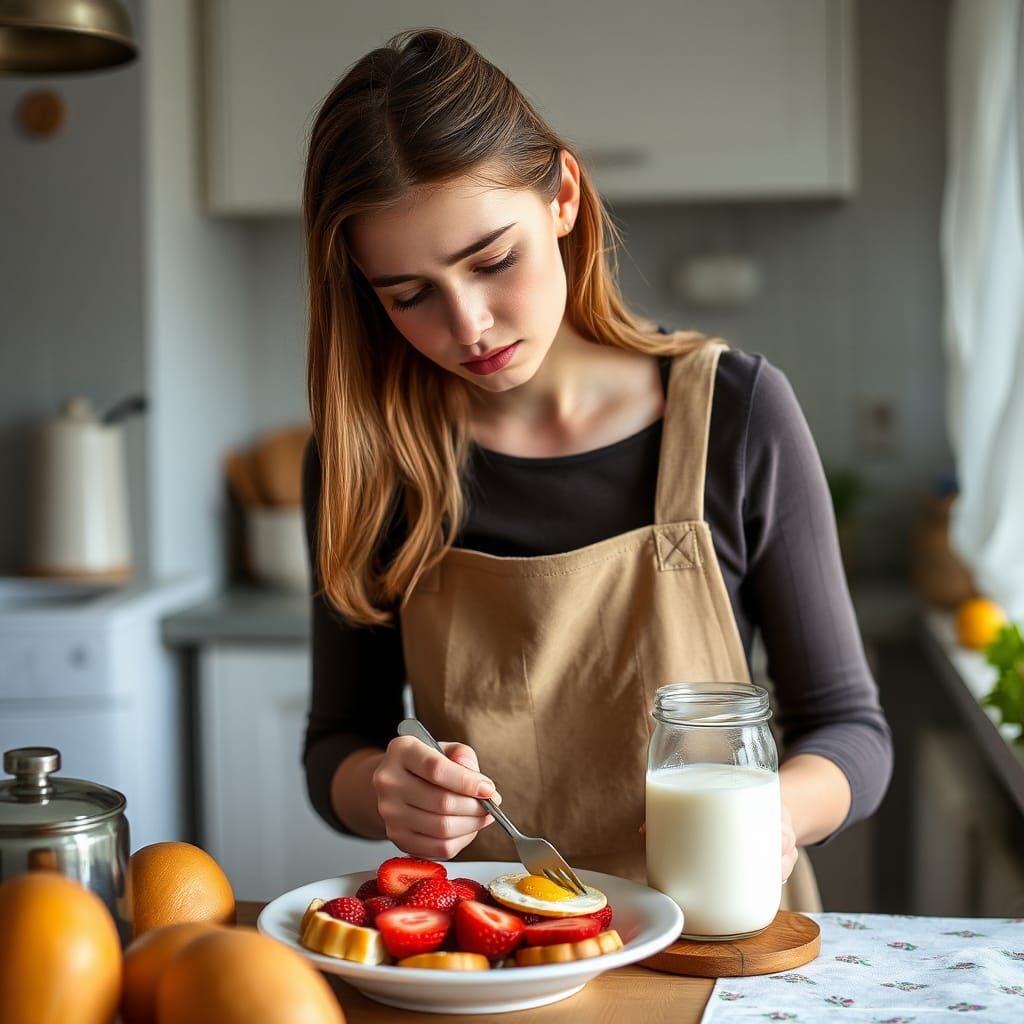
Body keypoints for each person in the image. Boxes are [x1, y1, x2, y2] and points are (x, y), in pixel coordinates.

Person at [300, 28, 892, 910]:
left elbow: (852, 731)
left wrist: (773, 813)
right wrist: (385, 790)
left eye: (493, 261)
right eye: (409, 296)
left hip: (713, 946)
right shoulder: (367, 458)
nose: (469, 326)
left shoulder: (735, 413)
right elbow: (335, 744)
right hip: (492, 955)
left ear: (564, 198)